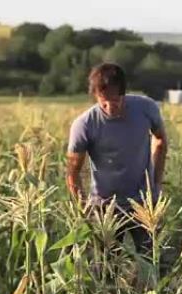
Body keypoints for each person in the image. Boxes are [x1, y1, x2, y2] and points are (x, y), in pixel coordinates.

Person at [66, 62, 168, 253]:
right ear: (95, 96)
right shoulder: (84, 125)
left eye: (115, 101)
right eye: (103, 102)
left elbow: (160, 140)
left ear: (123, 93)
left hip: (143, 204)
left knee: (152, 261)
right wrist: (82, 209)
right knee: (105, 267)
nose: (110, 107)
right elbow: (73, 171)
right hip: (104, 208)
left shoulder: (146, 108)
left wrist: (156, 185)